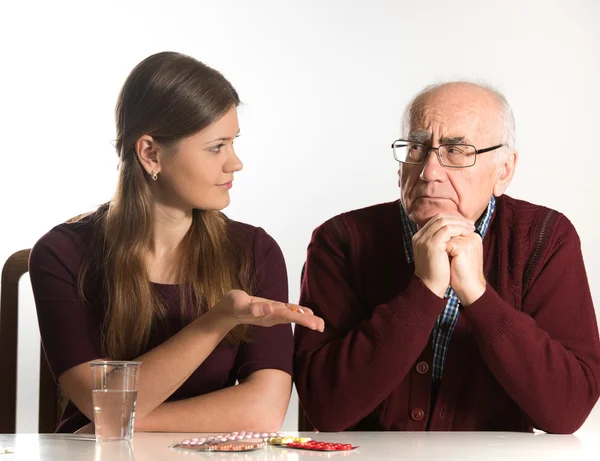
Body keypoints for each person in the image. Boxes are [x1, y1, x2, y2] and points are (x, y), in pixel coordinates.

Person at [29, 51, 324, 433]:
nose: (235, 162)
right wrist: (217, 321)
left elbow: (264, 411)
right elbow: (97, 403)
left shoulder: (254, 252)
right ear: (150, 153)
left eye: (233, 142)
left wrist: (117, 426)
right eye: (217, 146)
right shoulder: (62, 254)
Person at [294, 81, 600, 433]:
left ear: (504, 170)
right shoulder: (341, 241)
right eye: (417, 148)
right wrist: (423, 291)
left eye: (456, 151)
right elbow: (326, 410)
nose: (428, 171)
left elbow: (568, 410)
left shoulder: (545, 238)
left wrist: (479, 296)